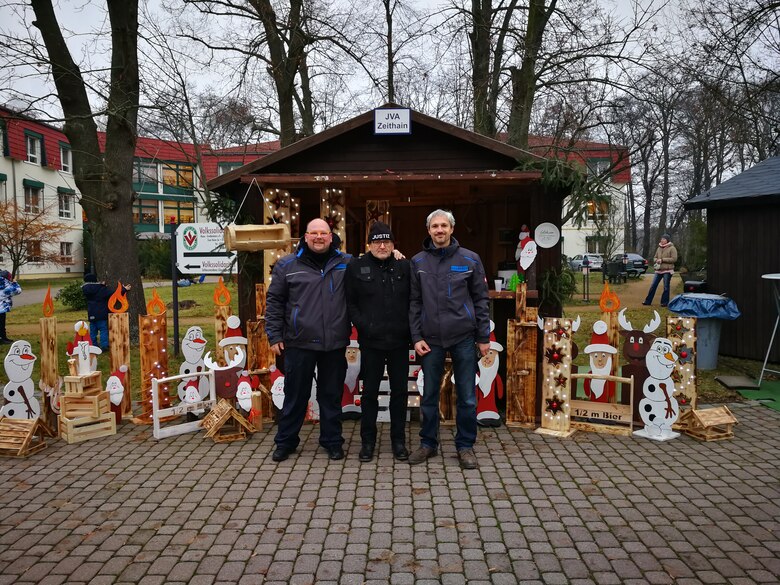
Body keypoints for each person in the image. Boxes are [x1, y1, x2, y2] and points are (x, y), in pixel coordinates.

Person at [408, 209, 490, 469]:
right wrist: (416, 336)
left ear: (452, 229)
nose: (439, 230)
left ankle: (465, 446)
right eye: (435, 226)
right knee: (429, 394)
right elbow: (414, 302)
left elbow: (480, 299)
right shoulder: (418, 262)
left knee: (466, 396)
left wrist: (483, 336)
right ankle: (428, 444)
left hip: (463, 337)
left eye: (444, 225)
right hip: (430, 339)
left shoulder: (470, 259)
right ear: (428, 230)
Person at [266, 218, 352, 462]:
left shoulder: (346, 263)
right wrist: (274, 334)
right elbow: (274, 302)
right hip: (298, 342)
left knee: (331, 396)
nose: (318, 237)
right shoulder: (287, 266)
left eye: (323, 233)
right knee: (295, 395)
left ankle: (332, 441)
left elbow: (373, 265)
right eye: (313, 233)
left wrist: (395, 253)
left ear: (330, 236)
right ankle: (286, 442)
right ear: (305, 237)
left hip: (333, 343)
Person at [345, 221, 411, 462]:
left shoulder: (405, 266)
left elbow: (414, 300)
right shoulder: (356, 266)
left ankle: (398, 441)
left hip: (399, 342)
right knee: (370, 393)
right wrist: (364, 325)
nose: (382, 245)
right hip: (370, 342)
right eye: (377, 241)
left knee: (400, 393)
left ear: (394, 244)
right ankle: (368, 442)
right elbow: (350, 303)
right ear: (369, 244)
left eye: (387, 241)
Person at [82, 274, 132, 351]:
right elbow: (114, 295)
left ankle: (93, 345)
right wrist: (124, 289)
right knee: (103, 330)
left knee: (93, 331)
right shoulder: (101, 289)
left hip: (91, 314)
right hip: (102, 314)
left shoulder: (86, 289)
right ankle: (104, 345)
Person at [643, 234, 678, 307]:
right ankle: (648, 301)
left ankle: (664, 302)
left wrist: (662, 260)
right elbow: (655, 257)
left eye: (664, 239)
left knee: (666, 287)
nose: (662, 240)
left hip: (667, 270)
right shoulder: (659, 248)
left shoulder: (672, 248)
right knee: (653, 285)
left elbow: (674, 259)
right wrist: (656, 260)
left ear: (667, 240)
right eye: (661, 239)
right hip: (658, 270)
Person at [0, 270, 21, 344]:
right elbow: (17, 291)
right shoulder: (5, 285)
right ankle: (2, 339)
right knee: (1, 324)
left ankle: (3, 337)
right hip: (1, 308)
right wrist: (15, 282)